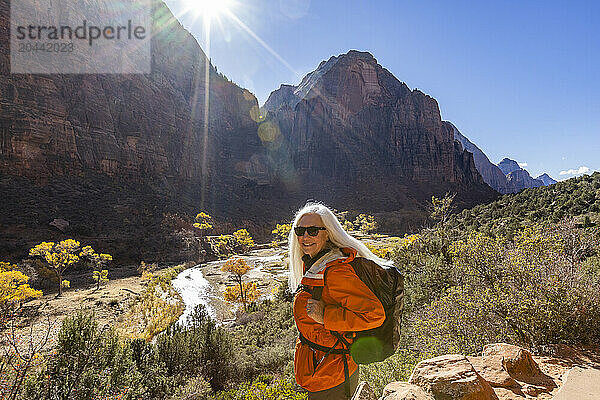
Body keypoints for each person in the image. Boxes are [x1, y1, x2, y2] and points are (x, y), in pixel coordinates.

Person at [288, 202, 390, 400]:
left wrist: (325, 316)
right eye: (300, 231)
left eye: (313, 231)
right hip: (322, 370)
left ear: (328, 233)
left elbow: (374, 315)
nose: (305, 237)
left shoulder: (335, 271)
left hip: (332, 374)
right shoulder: (316, 263)